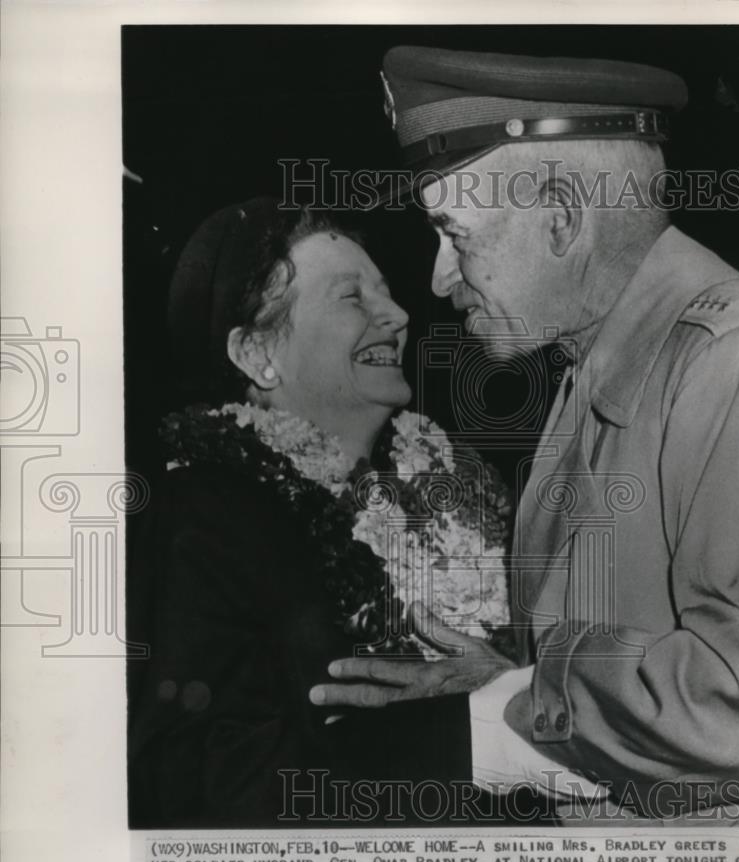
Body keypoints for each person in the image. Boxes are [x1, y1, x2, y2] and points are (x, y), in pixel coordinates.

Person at [312, 47, 739, 825]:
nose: (438, 279)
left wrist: (503, 718)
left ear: (562, 217)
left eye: (454, 234)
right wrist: (514, 683)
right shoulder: (596, 365)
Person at [127, 200, 484, 828]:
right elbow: (199, 782)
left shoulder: (457, 491)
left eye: (388, 293)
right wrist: (474, 736)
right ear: (257, 353)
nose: (398, 316)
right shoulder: (199, 519)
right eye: (352, 298)